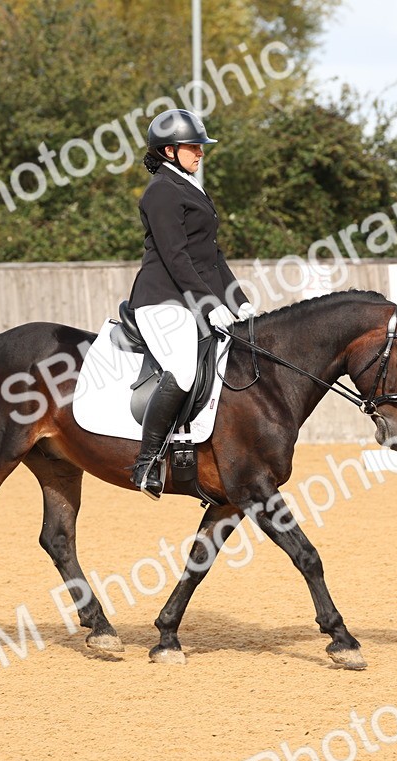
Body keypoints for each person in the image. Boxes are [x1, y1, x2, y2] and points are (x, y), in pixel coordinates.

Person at [127, 108, 254, 499]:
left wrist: (238, 302)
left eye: (200, 146)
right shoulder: (162, 191)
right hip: (161, 299)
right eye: (193, 146)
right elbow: (176, 256)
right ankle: (146, 463)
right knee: (182, 370)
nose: (201, 152)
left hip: (190, 298)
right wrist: (208, 303)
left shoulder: (190, 187)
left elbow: (212, 257)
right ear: (169, 150)